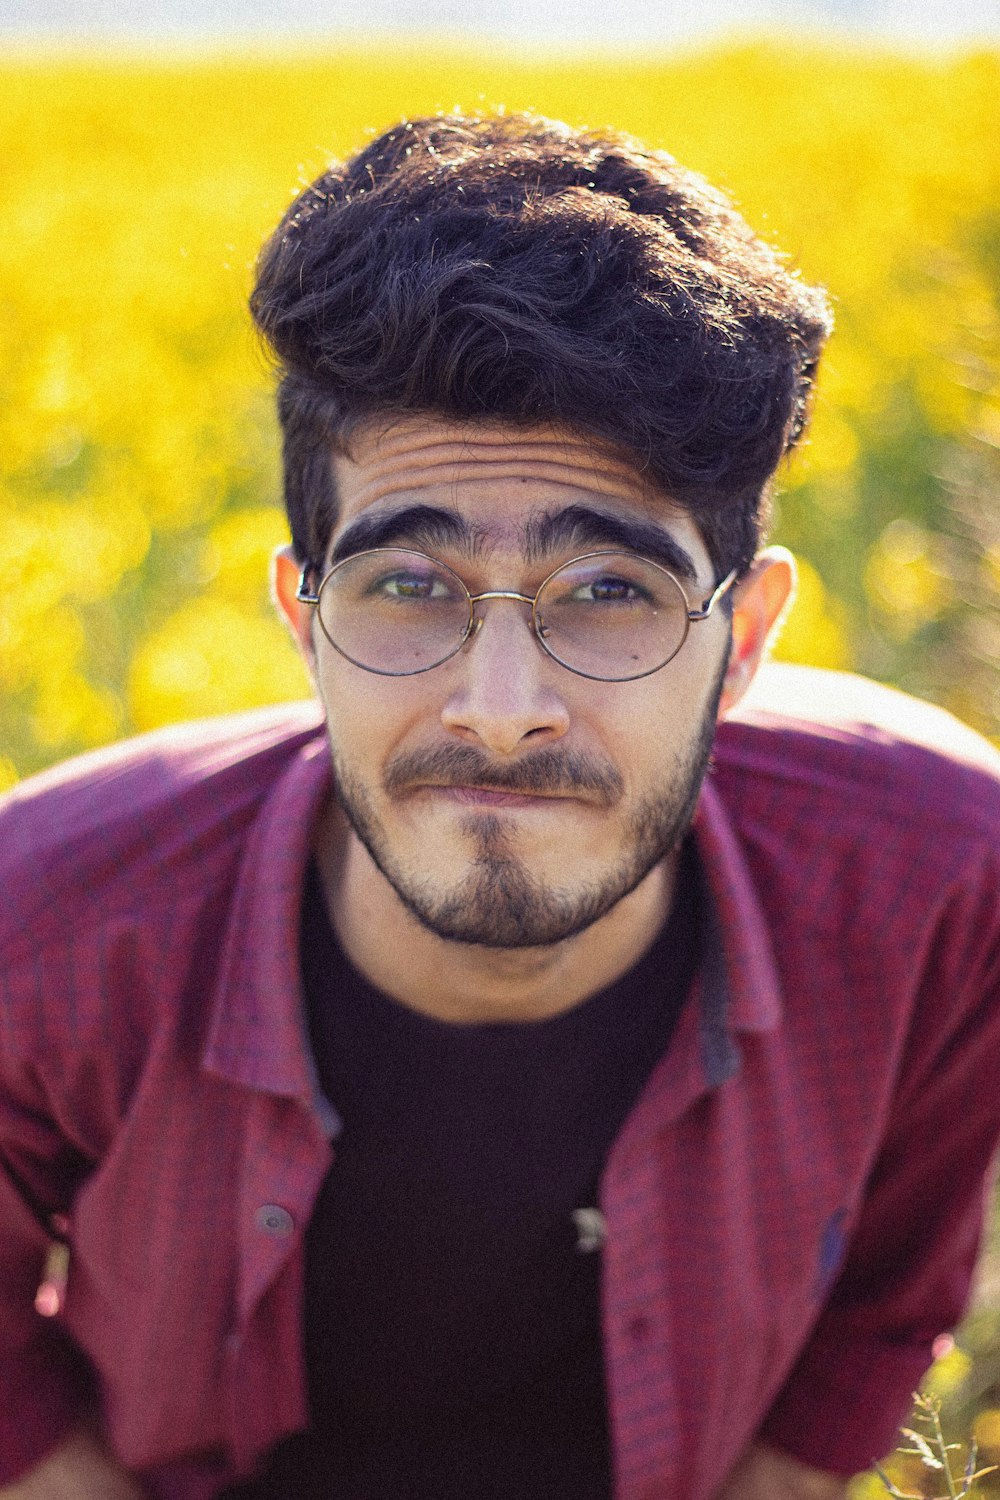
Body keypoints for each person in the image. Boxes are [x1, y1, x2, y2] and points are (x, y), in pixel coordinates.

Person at [1, 111, 998, 1500]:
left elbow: (885, 1306)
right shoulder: (43, 918)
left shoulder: (937, 878)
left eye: (610, 593)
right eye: (409, 586)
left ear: (750, 633)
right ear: (304, 614)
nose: (499, 704)